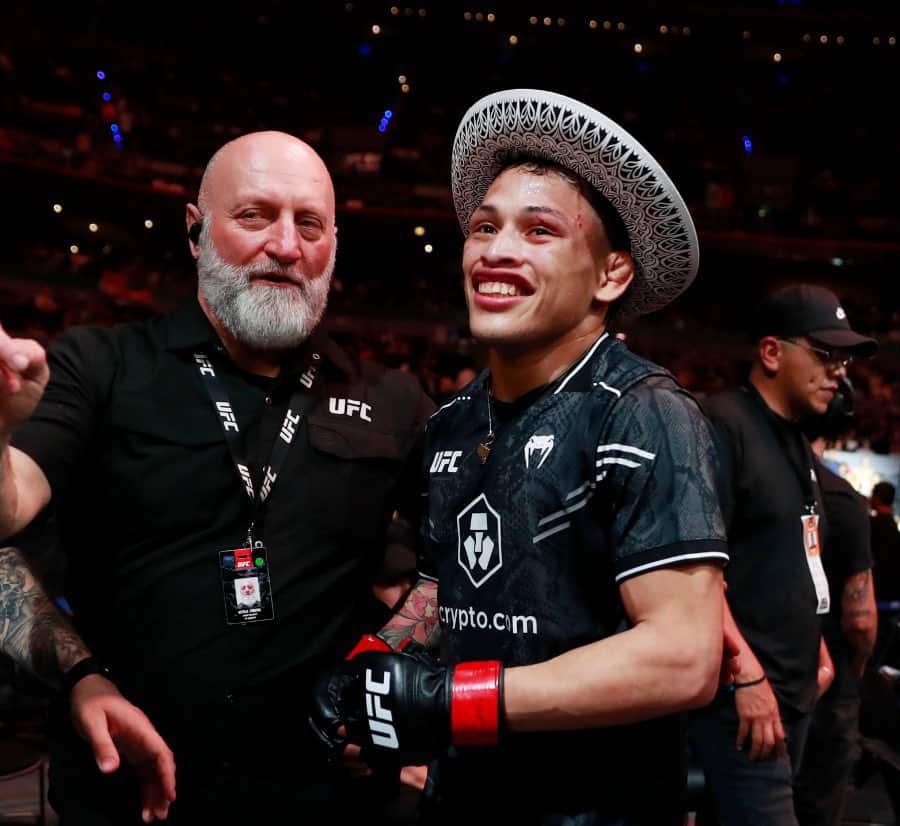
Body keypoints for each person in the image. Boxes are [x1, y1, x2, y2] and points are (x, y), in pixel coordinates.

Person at [0, 131, 434, 824]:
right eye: (254, 215)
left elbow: (472, 562)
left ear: (332, 246)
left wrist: (385, 665)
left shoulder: (393, 400)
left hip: (327, 798)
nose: (285, 244)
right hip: (127, 795)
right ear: (195, 232)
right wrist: (80, 679)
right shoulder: (99, 367)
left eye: (308, 223)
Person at [312, 88, 731, 824]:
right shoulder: (451, 422)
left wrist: (452, 701)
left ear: (610, 276)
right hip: (462, 800)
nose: (495, 252)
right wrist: (371, 667)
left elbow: (682, 658)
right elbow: (445, 589)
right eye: (483, 227)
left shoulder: (644, 412)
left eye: (539, 231)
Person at [689, 284, 877, 826]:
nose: (839, 371)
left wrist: (816, 646)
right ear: (771, 352)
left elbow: (799, 555)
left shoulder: (793, 438)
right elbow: (697, 572)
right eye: (825, 355)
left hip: (791, 694)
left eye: (843, 359)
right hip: (743, 699)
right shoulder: (723, 423)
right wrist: (745, 677)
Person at [794, 381, 877, 826]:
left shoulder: (753, 478)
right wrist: (855, 672)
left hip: (757, 675)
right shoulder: (844, 501)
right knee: (815, 808)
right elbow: (861, 620)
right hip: (826, 686)